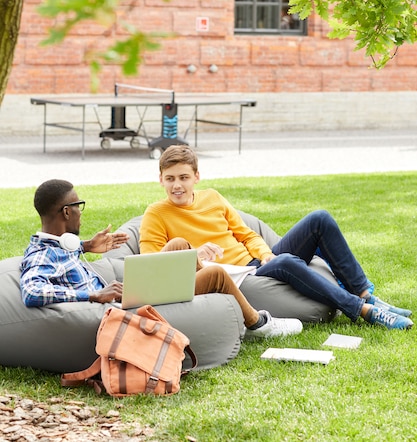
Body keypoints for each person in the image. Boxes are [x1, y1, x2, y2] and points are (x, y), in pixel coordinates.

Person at [139, 145, 413, 331]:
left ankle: (366, 294)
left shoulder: (212, 197)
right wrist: (194, 254)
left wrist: (265, 253)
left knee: (320, 219)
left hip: (257, 262)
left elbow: (246, 234)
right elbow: (152, 264)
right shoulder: (156, 214)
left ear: (196, 177)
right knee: (290, 262)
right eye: (170, 178)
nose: (177, 185)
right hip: (237, 278)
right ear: (160, 179)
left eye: (184, 177)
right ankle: (364, 311)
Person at [20, 179, 302, 339]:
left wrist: (85, 245)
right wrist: (93, 294)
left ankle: (201, 293)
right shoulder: (41, 255)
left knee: (178, 244)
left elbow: (56, 262)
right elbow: (32, 291)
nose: (82, 212)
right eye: (78, 206)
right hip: (126, 309)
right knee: (216, 275)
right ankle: (257, 324)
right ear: (67, 212)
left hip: (128, 293)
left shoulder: (57, 246)